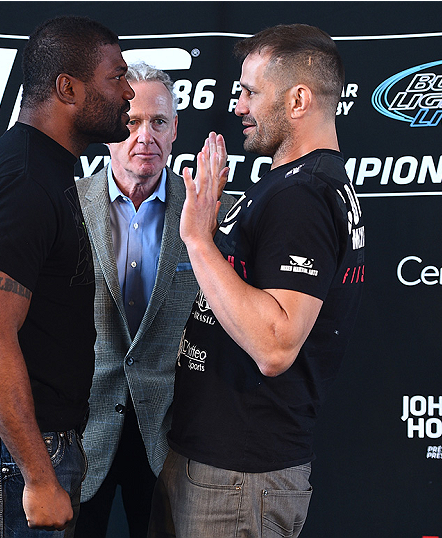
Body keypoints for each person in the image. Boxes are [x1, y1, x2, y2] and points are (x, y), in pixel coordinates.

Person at [148, 24, 365, 538]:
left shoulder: (304, 195)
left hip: (239, 477)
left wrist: (199, 241)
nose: (239, 106)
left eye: (250, 92)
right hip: (225, 467)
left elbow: (274, 345)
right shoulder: (295, 184)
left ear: (298, 99)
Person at [0, 16, 135, 537]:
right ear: (67, 87)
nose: (129, 92)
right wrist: (38, 475)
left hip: (20, 449)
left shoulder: (51, 170)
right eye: (116, 77)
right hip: (7, 459)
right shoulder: (25, 181)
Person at [74, 62, 234, 538]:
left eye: (158, 122)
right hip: (81, 434)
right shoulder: (65, 205)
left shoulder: (208, 214)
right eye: (130, 121)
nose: (145, 136)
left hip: (170, 438)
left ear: (175, 129)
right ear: (108, 128)